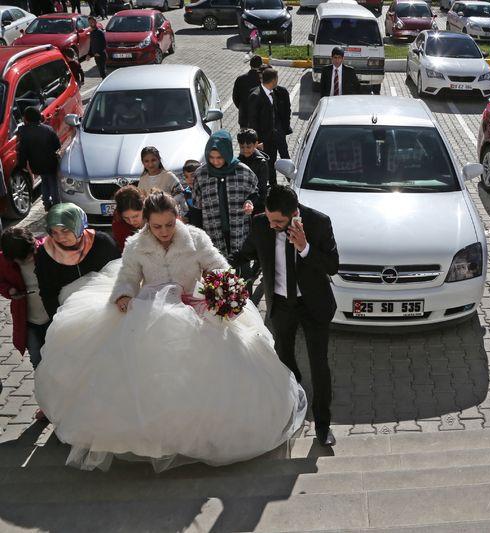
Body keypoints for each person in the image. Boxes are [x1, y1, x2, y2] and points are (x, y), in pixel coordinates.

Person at [34, 191, 307, 471]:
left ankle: (199, 435)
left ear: (177, 217)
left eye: (169, 224)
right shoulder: (135, 246)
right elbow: (127, 277)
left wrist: (225, 288)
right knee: (149, 379)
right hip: (149, 315)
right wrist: (124, 295)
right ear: (147, 224)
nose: (164, 232)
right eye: (156, 226)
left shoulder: (195, 238)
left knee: (206, 374)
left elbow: (218, 267)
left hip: (194, 312)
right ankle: (158, 438)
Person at [234, 185, 339, 446]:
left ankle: (323, 424)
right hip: (281, 305)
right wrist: (220, 268)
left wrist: (305, 247)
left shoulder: (318, 222)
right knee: (284, 362)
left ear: (294, 213)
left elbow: (332, 266)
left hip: (314, 305)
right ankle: (292, 405)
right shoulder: (261, 224)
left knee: (319, 364)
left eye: (278, 222)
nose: (272, 226)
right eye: (269, 219)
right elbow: (246, 253)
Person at [34, 203, 120, 320]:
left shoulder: (102, 242)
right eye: (54, 232)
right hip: (69, 315)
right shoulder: (46, 253)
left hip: (106, 311)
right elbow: (47, 292)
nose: (60, 238)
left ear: (79, 225)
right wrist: (57, 320)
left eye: (65, 230)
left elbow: (119, 276)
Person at [193, 130, 260, 258]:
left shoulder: (243, 171)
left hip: (238, 229)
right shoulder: (201, 174)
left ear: (228, 154)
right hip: (212, 231)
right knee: (219, 271)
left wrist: (249, 202)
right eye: (211, 157)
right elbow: (197, 207)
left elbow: (254, 193)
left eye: (219, 157)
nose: (215, 162)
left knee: (241, 269)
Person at [0, 227, 49, 371]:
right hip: (27, 321)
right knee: (36, 359)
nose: (23, 262)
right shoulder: (3, 261)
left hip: (53, 317)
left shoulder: (48, 250)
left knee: (58, 357)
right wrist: (10, 290)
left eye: (26, 257)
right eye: (18, 260)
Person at [15, 106, 62, 212]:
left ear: (26, 118)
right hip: (50, 162)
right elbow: (57, 145)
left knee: (44, 182)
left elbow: (22, 151)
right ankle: (56, 204)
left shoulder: (24, 133)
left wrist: (22, 165)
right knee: (53, 182)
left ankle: (46, 203)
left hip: (36, 164)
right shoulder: (48, 129)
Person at [237, 128, 272, 214]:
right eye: (242, 147)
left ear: (256, 144)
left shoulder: (261, 163)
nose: (245, 150)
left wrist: (251, 201)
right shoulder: (239, 159)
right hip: (242, 200)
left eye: (248, 147)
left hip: (256, 204)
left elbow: (261, 188)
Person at [111, 185, 145, 251]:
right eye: (126, 218)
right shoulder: (118, 224)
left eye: (135, 216)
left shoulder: (155, 216)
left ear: (144, 208)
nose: (131, 222)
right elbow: (125, 250)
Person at [232, 55, 263, 129]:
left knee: (244, 139)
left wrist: (242, 107)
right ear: (261, 65)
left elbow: (235, 98)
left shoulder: (240, 79)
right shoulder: (263, 80)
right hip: (259, 119)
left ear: (250, 65)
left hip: (244, 118)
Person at [182, 159, 203, 229]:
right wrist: (186, 217)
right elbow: (192, 211)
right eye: (186, 176)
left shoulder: (206, 191)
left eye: (193, 175)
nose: (189, 179)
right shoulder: (186, 193)